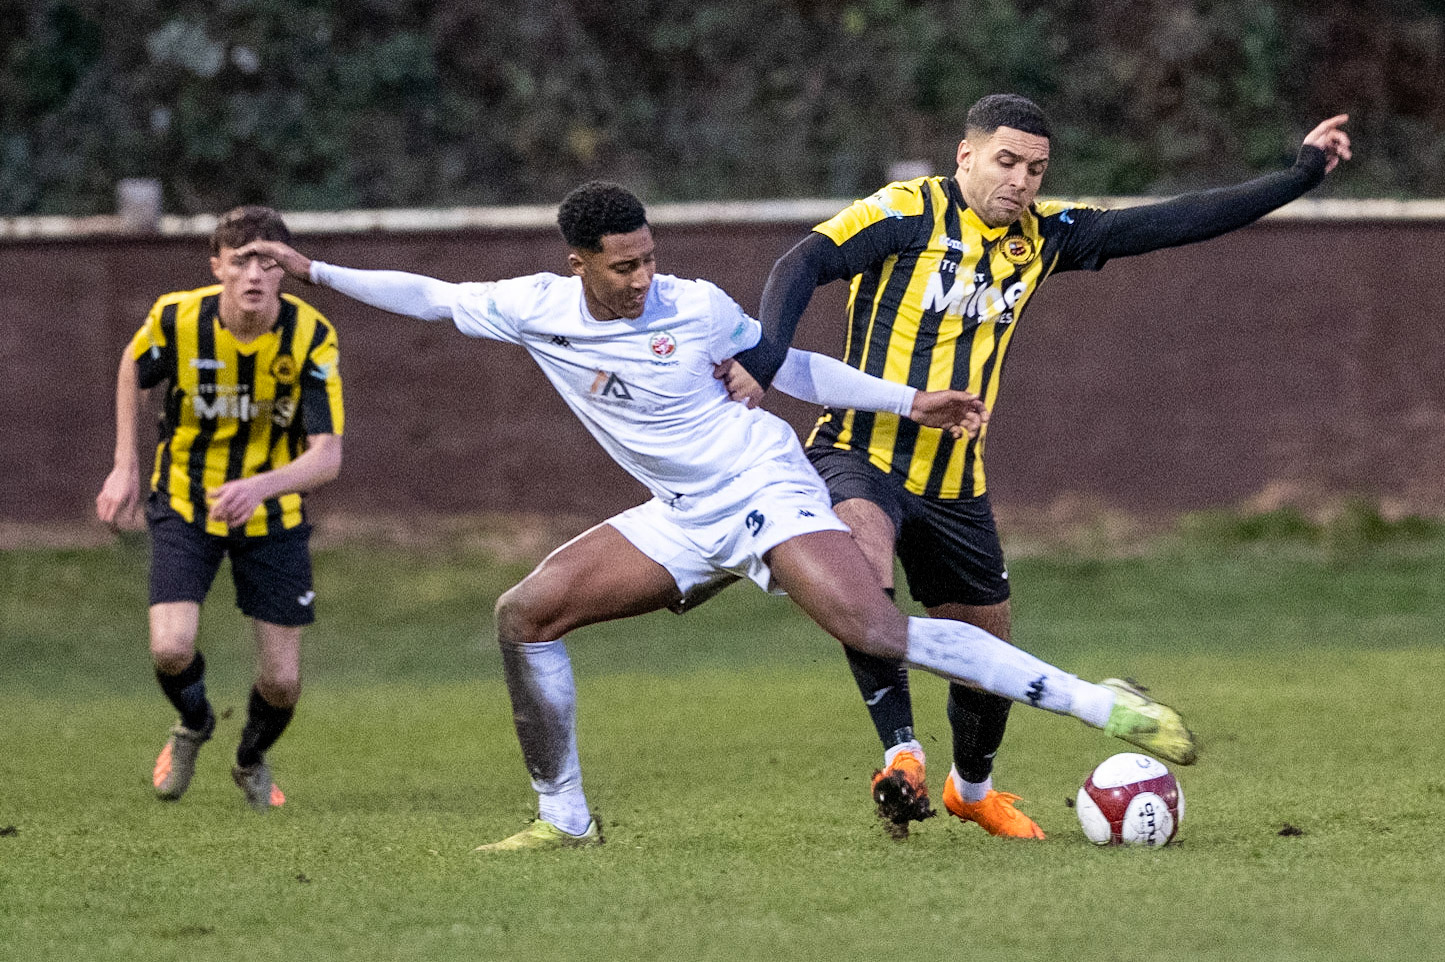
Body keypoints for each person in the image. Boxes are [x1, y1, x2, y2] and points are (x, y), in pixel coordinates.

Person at [240, 180, 1197, 851]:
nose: (641, 277)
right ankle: (562, 817)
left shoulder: (693, 305)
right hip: (682, 513)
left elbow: (791, 369)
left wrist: (910, 402)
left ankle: (1101, 704)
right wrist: (314, 269)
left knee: (871, 621)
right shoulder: (533, 307)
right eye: (621, 266)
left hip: (763, 488)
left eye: (649, 257)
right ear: (578, 263)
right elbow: (429, 297)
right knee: (522, 616)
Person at [718, 94, 1351, 839]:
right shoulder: (901, 213)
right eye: (1006, 162)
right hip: (861, 452)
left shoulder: (1044, 237)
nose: (1020, 181)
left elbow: (1174, 221)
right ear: (967, 156)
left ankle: (971, 790)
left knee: (989, 653)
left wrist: (1300, 175)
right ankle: (903, 758)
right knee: (864, 576)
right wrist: (762, 358)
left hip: (956, 482)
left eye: (1036, 169)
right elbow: (802, 262)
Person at [96, 205, 345, 813]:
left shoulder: (311, 337)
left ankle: (250, 758)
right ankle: (195, 722)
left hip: (272, 520)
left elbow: (327, 457)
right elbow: (134, 363)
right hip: (185, 501)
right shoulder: (178, 317)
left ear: (286, 270)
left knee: (283, 682)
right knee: (171, 648)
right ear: (218, 268)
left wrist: (260, 487)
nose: (255, 274)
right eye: (241, 262)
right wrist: (126, 464)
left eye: (269, 262)